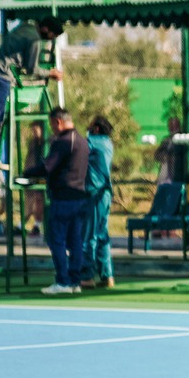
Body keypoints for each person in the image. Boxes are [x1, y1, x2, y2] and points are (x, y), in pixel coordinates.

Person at [0, 16, 63, 171]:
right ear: (46, 29)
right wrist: (50, 73)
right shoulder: (35, 40)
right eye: (52, 35)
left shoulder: (24, 27)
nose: (50, 39)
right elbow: (32, 69)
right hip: (2, 76)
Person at [22, 107, 89, 296]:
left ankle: (63, 281)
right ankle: (74, 281)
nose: (52, 129)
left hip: (63, 199)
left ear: (58, 122)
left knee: (56, 240)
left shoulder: (63, 141)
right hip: (78, 198)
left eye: (52, 125)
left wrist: (25, 173)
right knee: (75, 241)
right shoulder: (82, 142)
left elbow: (47, 167)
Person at [80, 115, 115, 289]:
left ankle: (87, 276)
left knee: (89, 235)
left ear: (96, 128)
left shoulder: (92, 141)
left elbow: (77, 149)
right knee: (102, 234)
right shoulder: (108, 143)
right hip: (106, 193)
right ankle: (107, 275)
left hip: (94, 192)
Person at [22, 120, 46, 236]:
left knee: (39, 200)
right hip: (31, 174)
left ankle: (37, 224)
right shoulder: (32, 143)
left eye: (36, 129)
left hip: (41, 176)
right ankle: (24, 224)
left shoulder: (46, 143)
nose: (34, 132)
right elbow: (29, 159)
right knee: (31, 199)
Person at [154, 117, 187, 185]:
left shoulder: (183, 139)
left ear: (178, 126)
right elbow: (157, 155)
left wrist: (170, 156)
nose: (171, 128)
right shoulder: (166, 140)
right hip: (166, 176)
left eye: (173, 125)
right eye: (170, 126)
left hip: (178, 176)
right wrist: (165, 157)